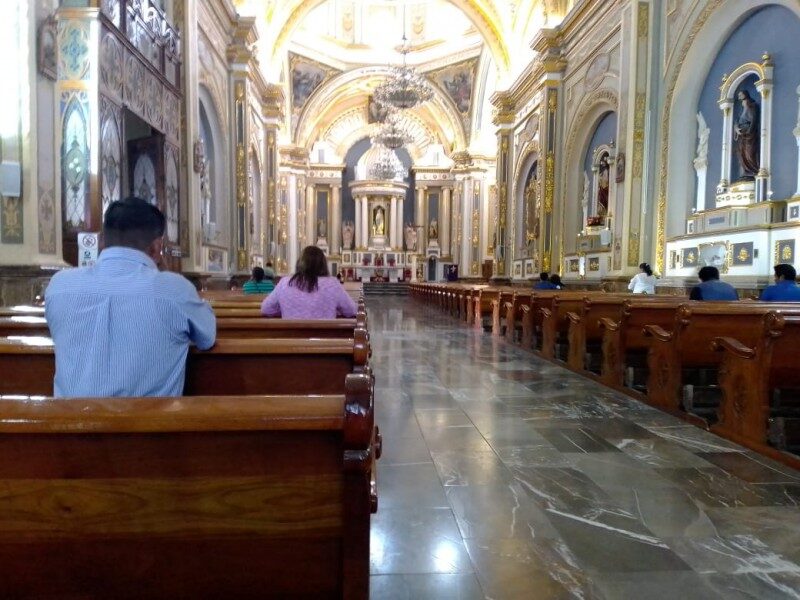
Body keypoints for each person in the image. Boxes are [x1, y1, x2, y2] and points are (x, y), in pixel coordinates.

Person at [45, 196, 216, 397]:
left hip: (70, 424)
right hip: (150, 426)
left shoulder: (60, 286)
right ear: (156, 248)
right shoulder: (175, 290)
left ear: (101, 241)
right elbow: (207, 337)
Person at [261, 246, 357, 318]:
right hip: (325, 342)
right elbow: (352, 310)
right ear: (323, 264)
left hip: (291, 341)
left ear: (299, 263)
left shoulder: (284, 283)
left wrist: (286, 308)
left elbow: (266, 309)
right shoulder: (333, 284)